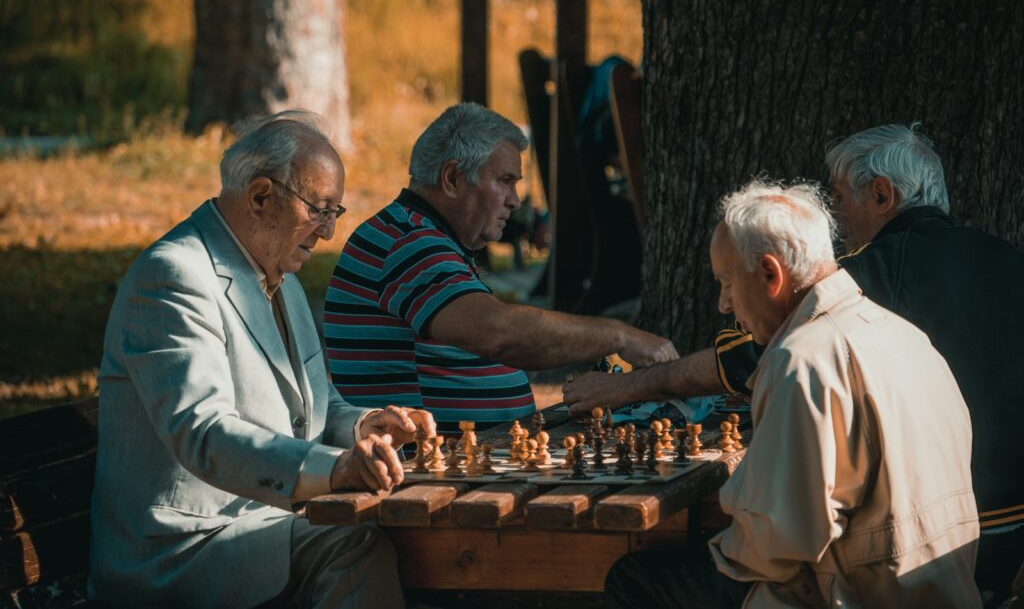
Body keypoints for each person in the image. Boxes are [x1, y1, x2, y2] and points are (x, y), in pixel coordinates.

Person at [563, 123, 1024, 601]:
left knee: (640, 577)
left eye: (727, 283)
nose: (724, 306)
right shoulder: (961, 292)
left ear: (771, 274)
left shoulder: (820, 334)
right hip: (970, 554)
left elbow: (783, 541)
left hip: (873, 586)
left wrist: (726, 535)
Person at [89, 111, 435, 607]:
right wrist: (335, 470)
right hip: (182, 552)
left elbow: (316, 405)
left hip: (266, 523)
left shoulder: (283, 278)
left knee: (408, 537)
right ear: (259, 197)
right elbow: (204, 430)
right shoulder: (173, 276)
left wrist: (368, 426)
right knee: (352, 546)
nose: (327, 233)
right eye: (320, 209)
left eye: (335, 213)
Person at [324, 102, 677, 436]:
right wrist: (621, 336)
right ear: (452, 178)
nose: (515, 200)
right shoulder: (410, 242)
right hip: (426, 471)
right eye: (505, 181)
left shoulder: (418, 234)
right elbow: (500, 334)